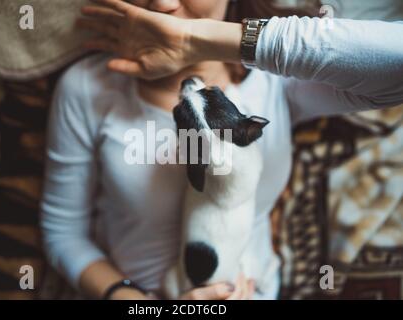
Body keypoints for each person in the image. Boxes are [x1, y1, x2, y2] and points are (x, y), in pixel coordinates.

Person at [40, 0, 403, 300]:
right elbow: (62, 231)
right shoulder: (88, 89)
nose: (163, 4)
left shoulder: (275, 83)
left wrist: (201, 41)